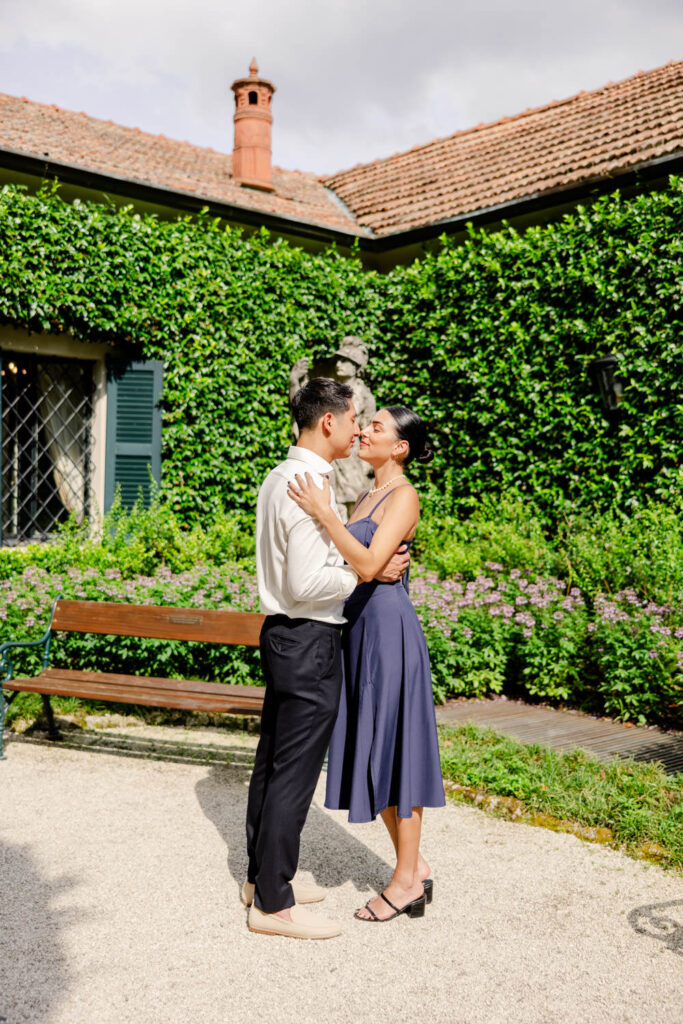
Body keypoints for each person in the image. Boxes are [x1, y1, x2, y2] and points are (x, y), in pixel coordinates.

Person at [245, 378, 410, 940]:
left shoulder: (278, 476)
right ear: (328, 423)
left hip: (282, 634)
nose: (357, 426)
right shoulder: (309, 482)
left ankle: (261, 879)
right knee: (292, 774)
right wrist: (364, 572)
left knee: (271, 763)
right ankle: (274, 905)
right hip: (309, 639)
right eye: (353, 417)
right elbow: (307, 580)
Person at [288, 405, 445, 923]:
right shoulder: (367, 495)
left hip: (388, 631)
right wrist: (363, 558)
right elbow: (358, 563)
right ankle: (414, 864)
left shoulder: (404, 495)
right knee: (366, 747)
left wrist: (324, 514)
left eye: (376, 427)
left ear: (399, 447)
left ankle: (404, 884)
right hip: (356, 629)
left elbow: (371, 563)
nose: (364, 431)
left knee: (396, 750)